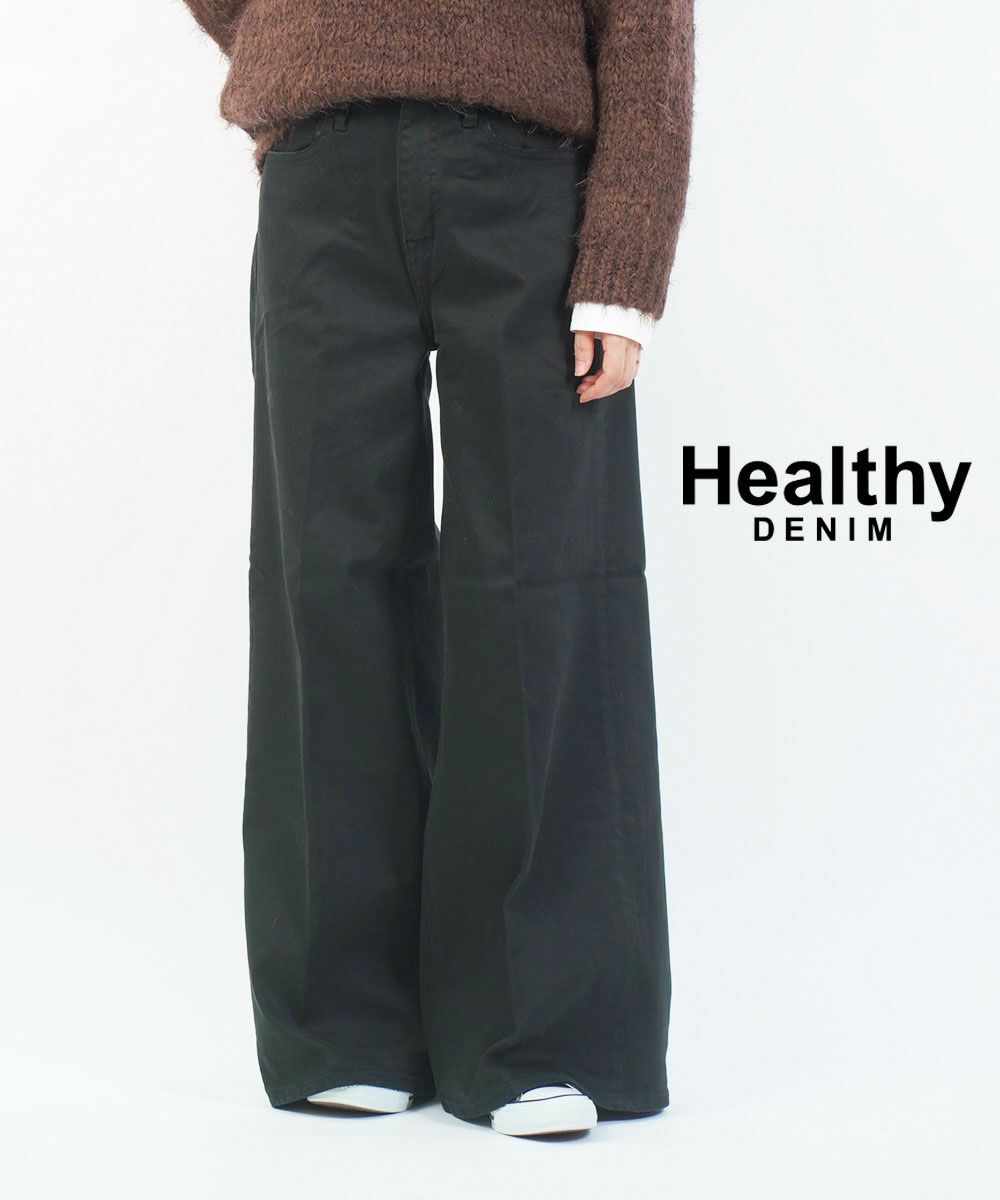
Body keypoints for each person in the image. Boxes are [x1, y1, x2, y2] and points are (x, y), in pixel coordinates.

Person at [181, 0, 694, 1138]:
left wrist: (625, 258)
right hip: (322, 174)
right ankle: (347, 1024)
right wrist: (292, 43)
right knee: (327, 579)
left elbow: (649, 26)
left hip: (526, 180)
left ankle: (542, 1031)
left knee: (544, 583)